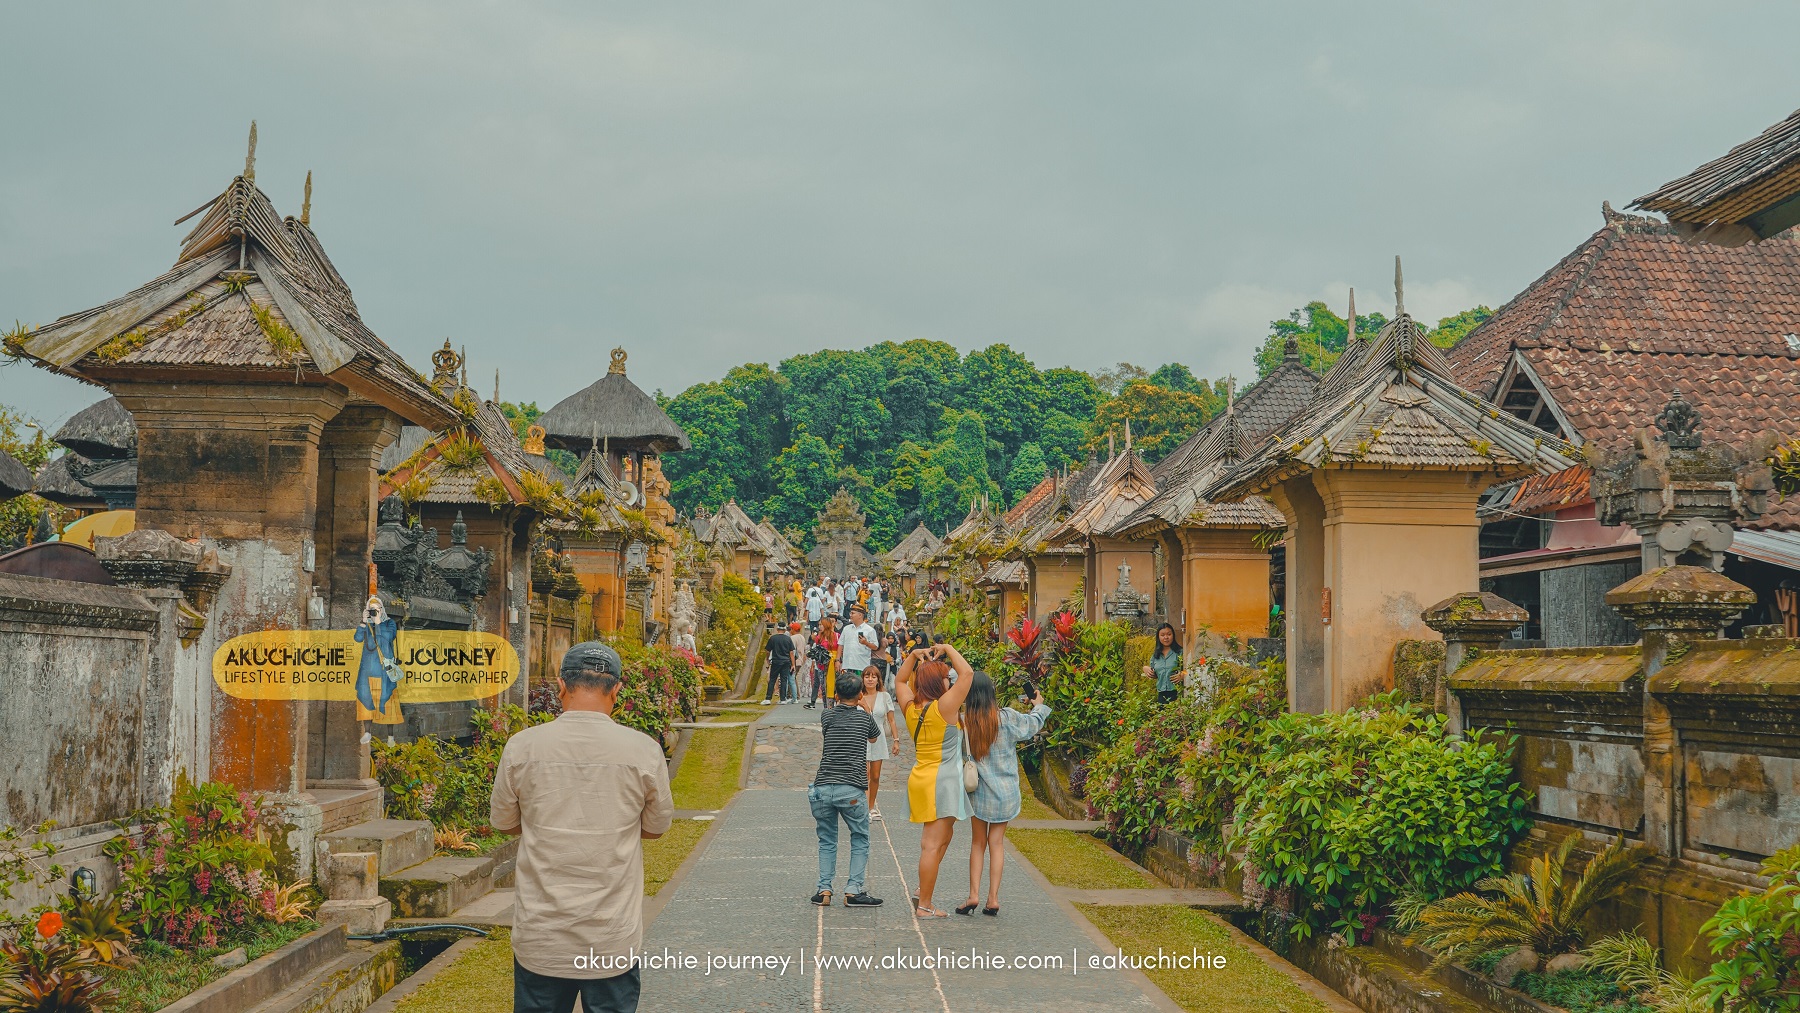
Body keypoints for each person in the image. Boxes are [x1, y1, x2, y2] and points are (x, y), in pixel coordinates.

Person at [490, 642, 673, 1013]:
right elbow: (655, 828)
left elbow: (505, 824)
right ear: (617, 690)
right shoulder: (642, 751)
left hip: (542, 936)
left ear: (561, 685)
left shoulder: (522, 747)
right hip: (610, 937)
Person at [958, 673, 1050, 917]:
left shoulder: (965, 722)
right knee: (996, 844)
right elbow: (1032, 725)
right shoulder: (1006, 718)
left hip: (978, 792)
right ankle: (993, 898)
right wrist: (1038, 705)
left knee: (978, 843)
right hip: (1006, 794)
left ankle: (973, 895)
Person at [894, 643, 975, 918]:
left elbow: (900, 679)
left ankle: (922, 889)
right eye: (944, 677)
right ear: (936, 681)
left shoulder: (910, 707)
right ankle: (925, 905)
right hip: (942, 780)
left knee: (944, 836)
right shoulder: (945, 707)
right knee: (931, 843)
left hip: (921, 777)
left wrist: (913, 657)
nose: (948, 680)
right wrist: (950, 648)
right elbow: (967, 675)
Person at [810, 669, 884, 908]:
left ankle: (824, 889)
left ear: (836, 694)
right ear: (860, 693)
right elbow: (874, 738)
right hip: (851, 788)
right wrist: (865, 705)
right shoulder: (864, 718)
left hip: (822, 787)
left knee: (827, 840)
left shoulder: (827, 716)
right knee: (860, 837)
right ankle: (853, 889)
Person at [859, 664, 899, 820]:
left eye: (873, 676)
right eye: (867, 676)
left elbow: (891, 720)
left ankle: (871, 805)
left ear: (878, 679)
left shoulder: (885, 696)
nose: (870, 679)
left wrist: (896, 740)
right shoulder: (858, 696)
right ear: (863, 679)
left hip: (879, 738)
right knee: (864, 773)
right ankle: (864, 809)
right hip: (861, 739)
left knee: (875, 775)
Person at [1144, 622, 1183, 705]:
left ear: (1173, 635)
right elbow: (1153, 673)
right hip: (1161, 695)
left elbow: (1190, 668)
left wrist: (1183, 674)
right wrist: (1145, 668)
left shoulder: (1180, 652)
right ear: (1158, 637)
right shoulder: (1155, 656)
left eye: (1169, 634)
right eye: (1162, 635)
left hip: (1177, 693)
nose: (1166, 637)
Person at [805, 617, 839, 709]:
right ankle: (827, 708)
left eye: (821, 624)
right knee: (824, 687)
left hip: (834, 664)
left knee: (835, 687)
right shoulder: (819, 637)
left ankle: (835, 707)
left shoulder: (836, 635)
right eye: (819, 625)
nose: (819, 626)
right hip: (822, 665)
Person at [763, 621, 797, 706]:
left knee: (772, 679)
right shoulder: (788, 639)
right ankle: (783, 699)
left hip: (776, 661)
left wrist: (767, 659)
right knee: (784, 679)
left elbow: (767, 650)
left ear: (777, 628)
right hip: (786, 661)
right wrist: (793, 664)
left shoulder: (773, 638)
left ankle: (768, 698)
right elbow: (791, 653)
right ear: (785, 629)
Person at [839, 605, 879, 676]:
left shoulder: (870, 630)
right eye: (850, 613)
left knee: (860, 686)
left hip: (861, 666)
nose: (850, 615)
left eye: (852, 613)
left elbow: (875, 647)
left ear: (860, 615)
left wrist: (866, 643)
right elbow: (840, 644)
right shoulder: (846, 629)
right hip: (847, 666)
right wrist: (837, 660)